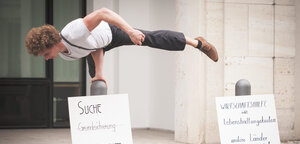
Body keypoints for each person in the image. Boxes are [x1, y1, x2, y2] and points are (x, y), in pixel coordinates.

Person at [25, 7, 218, 84]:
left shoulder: (73, 31)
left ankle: (198, 43)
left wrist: (130, 31)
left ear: (53, 43)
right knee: (95, 79)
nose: (46, 58)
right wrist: (99, 73)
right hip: (98, 44)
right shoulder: (65, 54)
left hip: (111, 32)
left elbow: (102, 12)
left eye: (45, 53)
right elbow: (93, 48)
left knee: (148, 38)